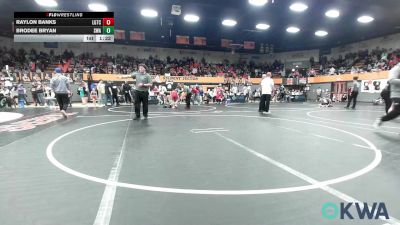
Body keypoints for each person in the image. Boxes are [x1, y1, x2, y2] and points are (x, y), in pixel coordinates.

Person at [373, 63, 400, 128]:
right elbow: (391, 80)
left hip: (390, 93)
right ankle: (382, 118)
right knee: (396, 111)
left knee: (396, 110)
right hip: (395, 94)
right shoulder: (395, 69)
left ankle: (384, 116)